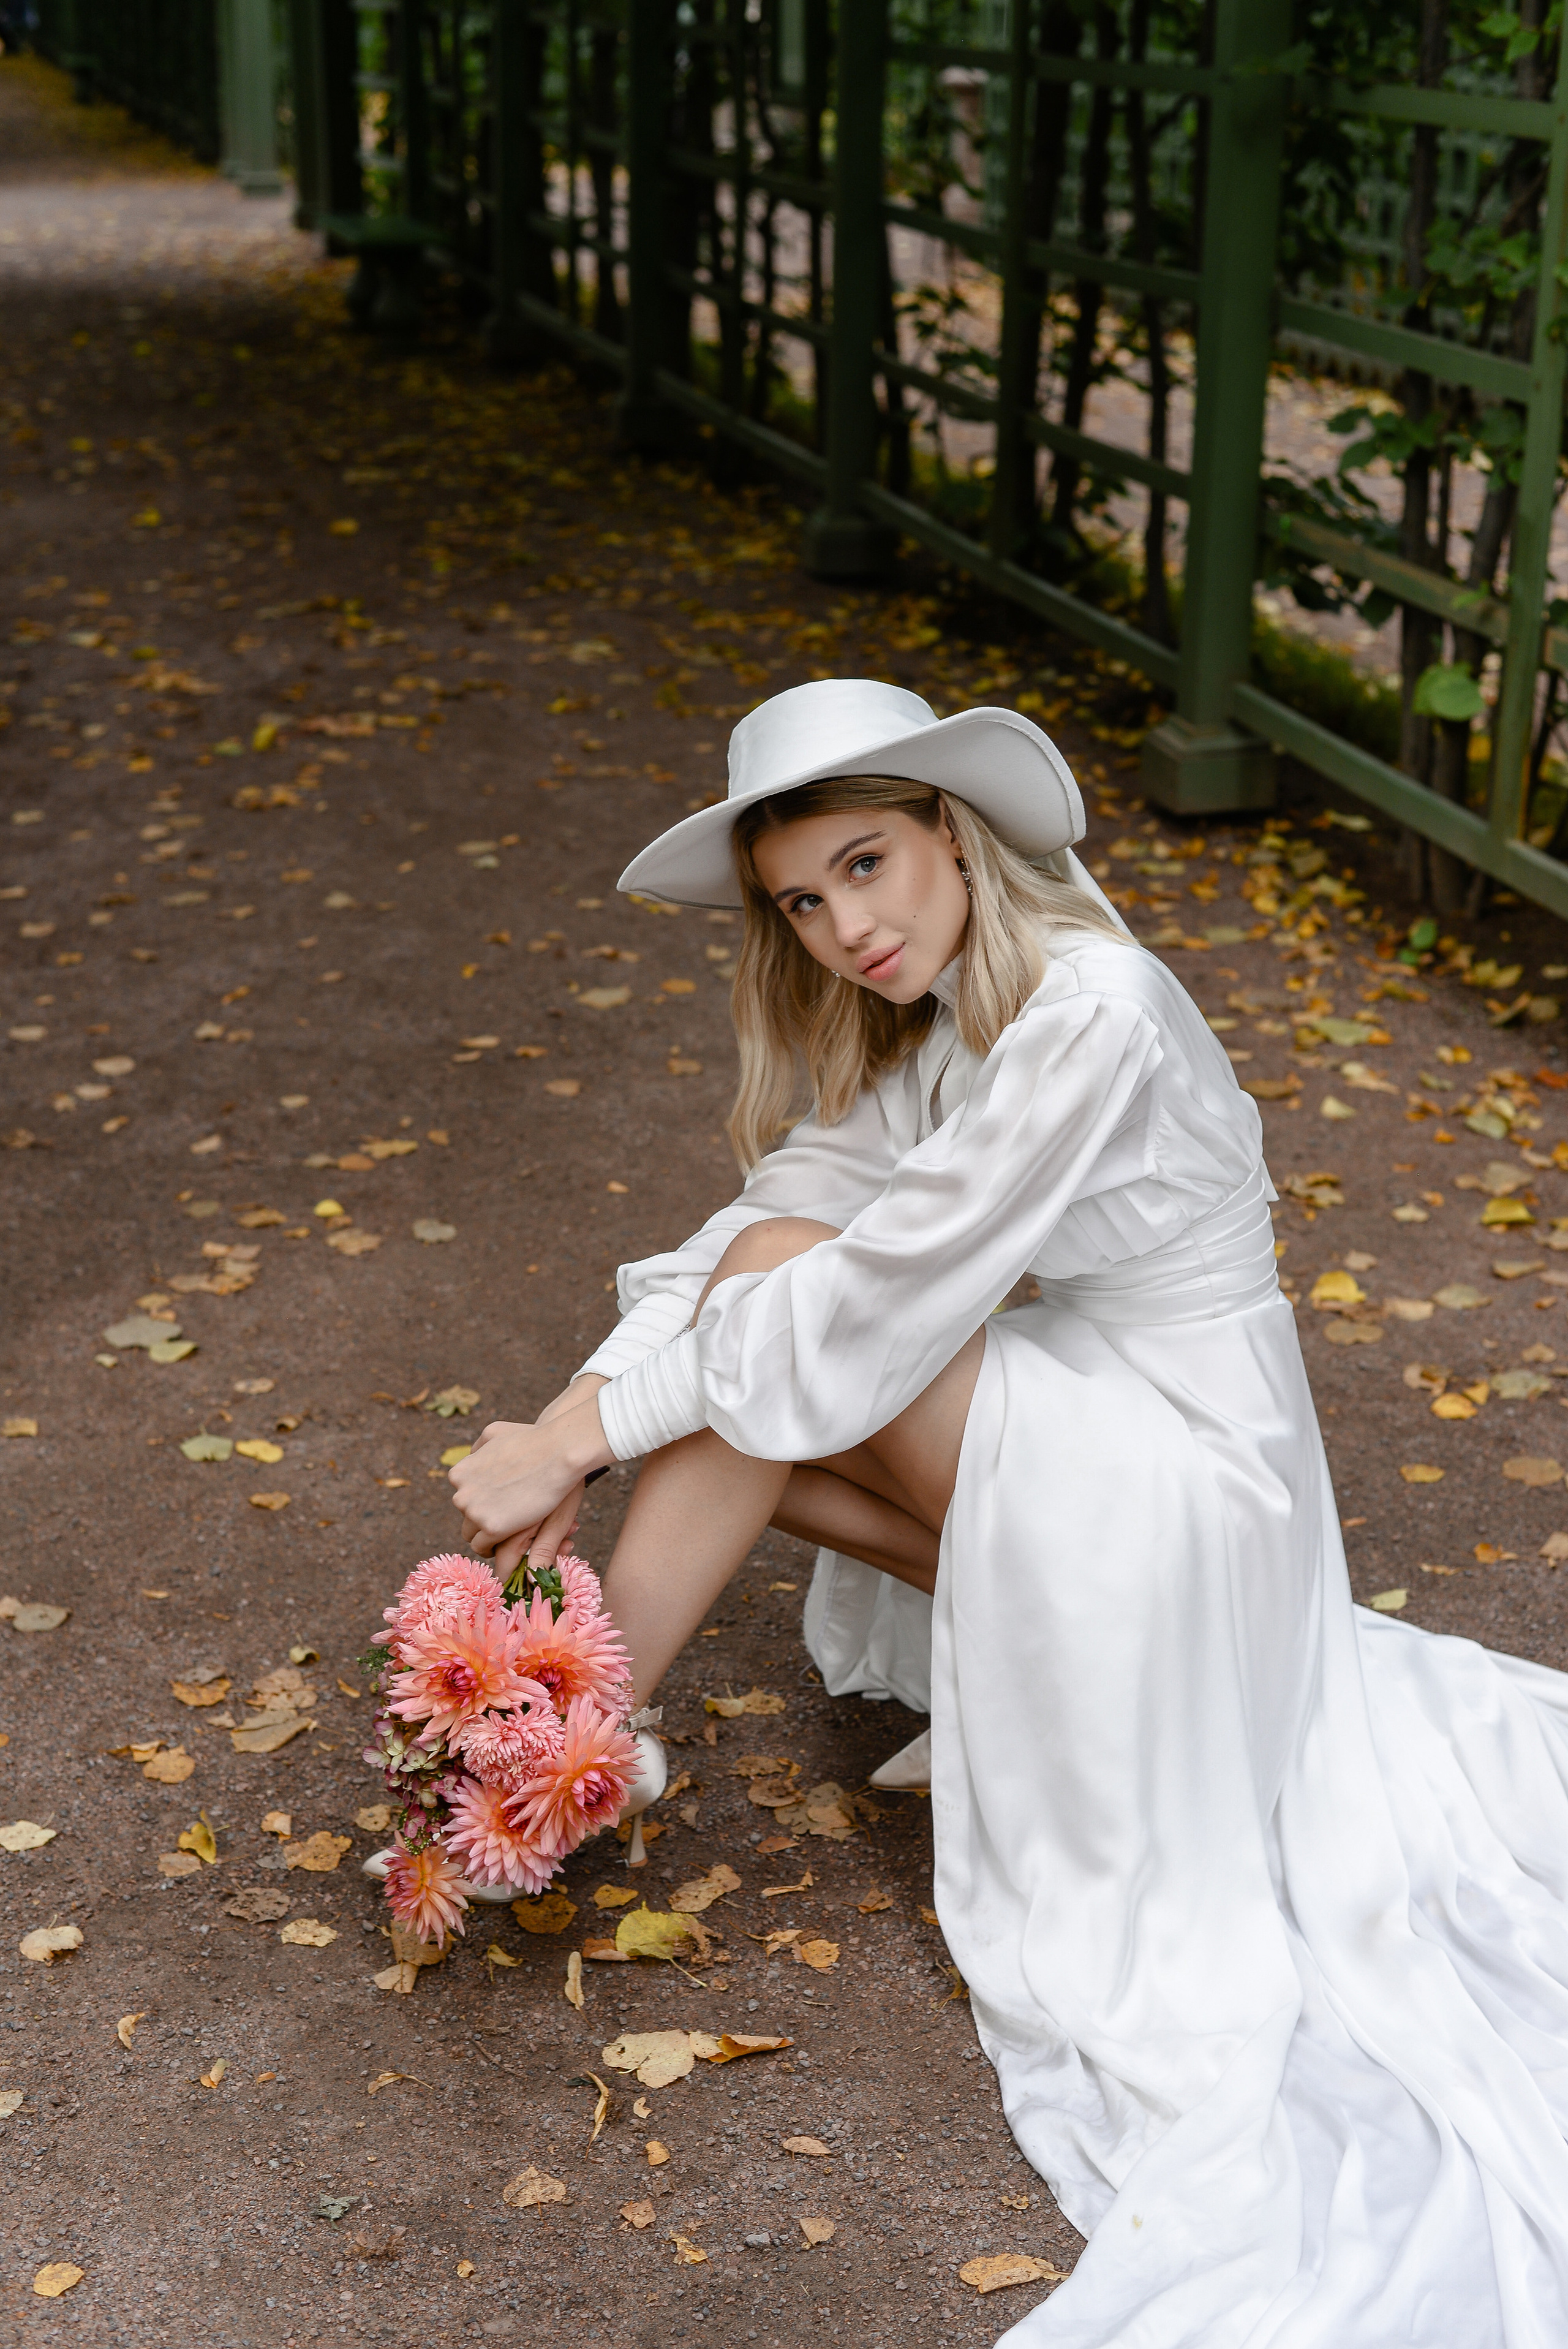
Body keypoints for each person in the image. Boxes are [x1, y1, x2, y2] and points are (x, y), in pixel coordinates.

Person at [451, 678, 1568, 2347]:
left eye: (870, 863)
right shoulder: (931, 1027)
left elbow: (862, 1296)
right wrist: (563, 1423)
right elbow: (771, 1218)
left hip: (1199, 1470)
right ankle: (581, 1728)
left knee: (792, 1327)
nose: (846, 926)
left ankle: (582, 1725)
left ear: (957, 835)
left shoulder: (1095, 1010)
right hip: (1099, 1446)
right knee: (769, 1311)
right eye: (803, 903)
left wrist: (587, 1437)